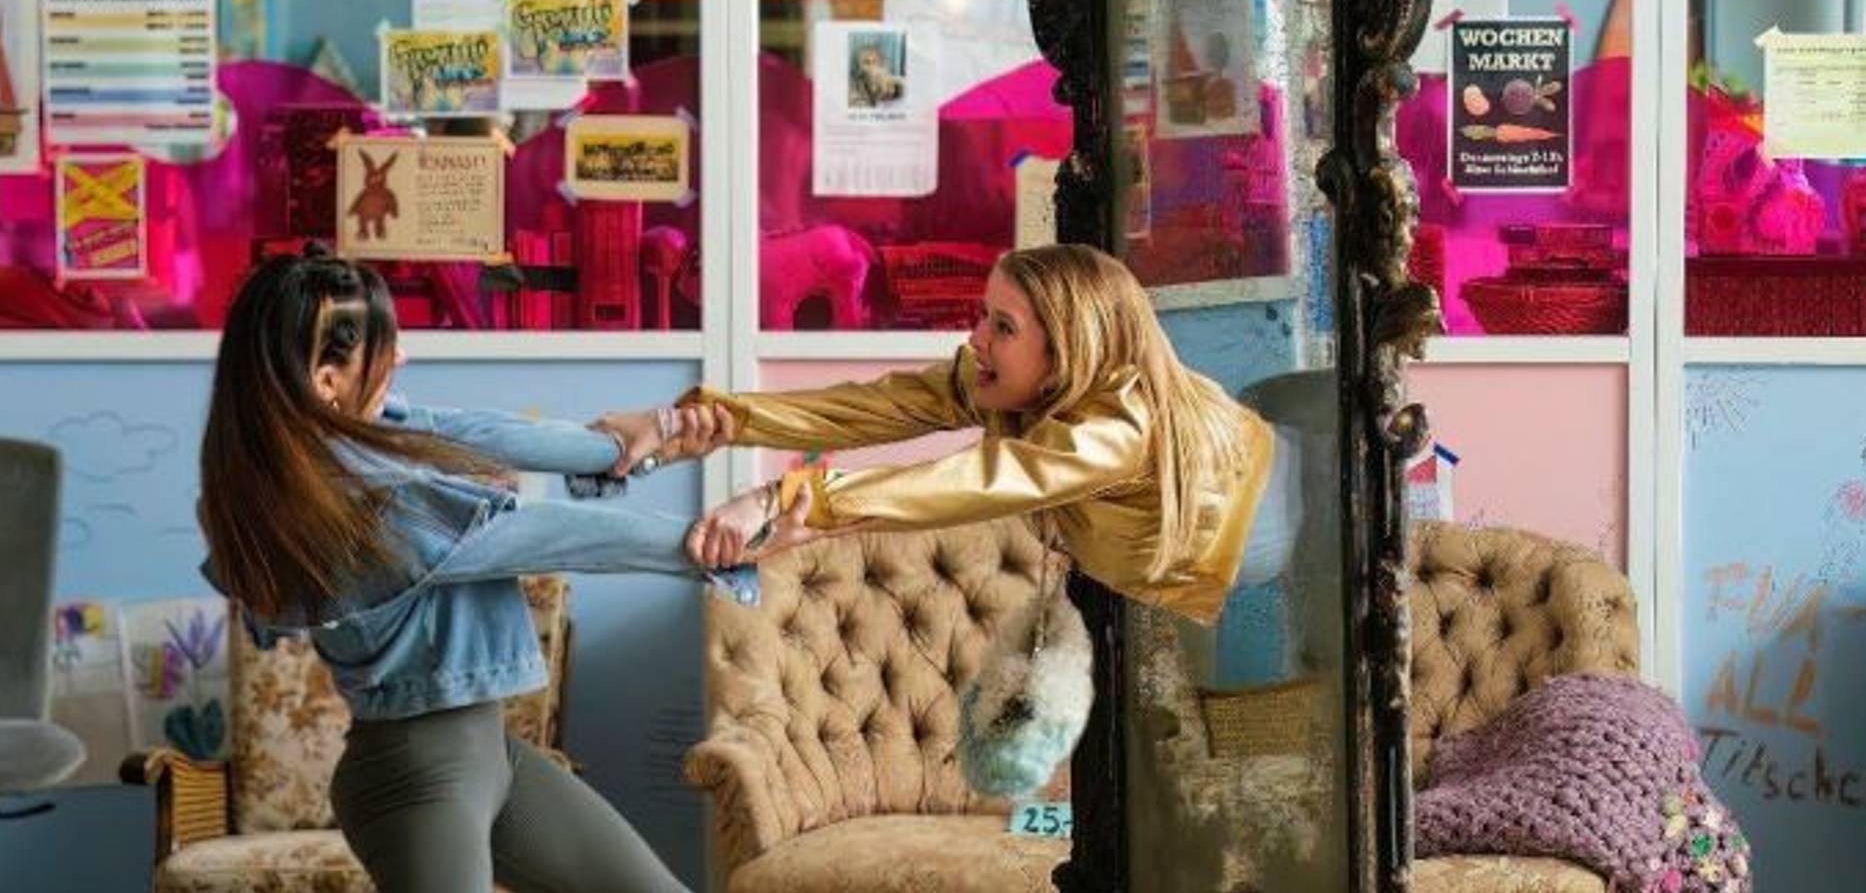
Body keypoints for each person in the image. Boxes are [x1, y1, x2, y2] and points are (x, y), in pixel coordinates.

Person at [195, 249, 744, 893]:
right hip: (417, 782)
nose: (401, 358)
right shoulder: (370, 505)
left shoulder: (354, 443)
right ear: (326, 382)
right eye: (384, 348)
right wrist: (717, 541)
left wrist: (637, 441)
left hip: (490, 757)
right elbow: (551, 535)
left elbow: (477, 432)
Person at [597, 243, 1296, 627]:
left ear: (1067, 351)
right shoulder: (1015, 384)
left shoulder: (1118, 428)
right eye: (983, 315)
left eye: (1002, 327)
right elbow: (871, 407)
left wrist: (781, 499)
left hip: (1308, 516)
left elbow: (969, 482)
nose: (975, 338)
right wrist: (689, 423)